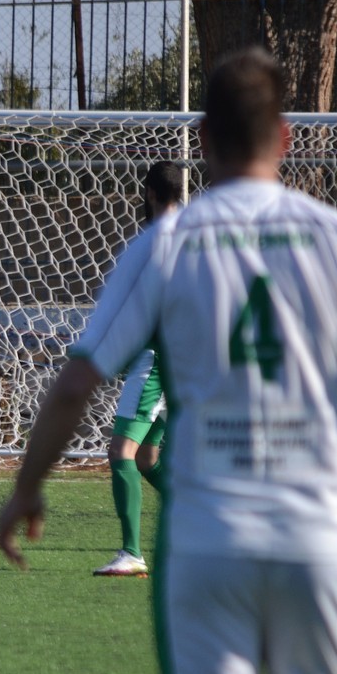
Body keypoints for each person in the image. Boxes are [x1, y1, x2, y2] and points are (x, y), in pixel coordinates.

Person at [0, 47, 337, 674]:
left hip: (206, 541)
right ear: (285, 137)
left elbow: (76, 382)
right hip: (316, 537)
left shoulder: (166, 243)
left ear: (202, 139)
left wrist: (27, 488)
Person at [93, 160, 183, 576]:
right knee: (147, 456)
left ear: (148, 193)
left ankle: (132, 552)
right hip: (181, 362)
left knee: (121, 452)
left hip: (155, 361)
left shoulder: (153, 242)